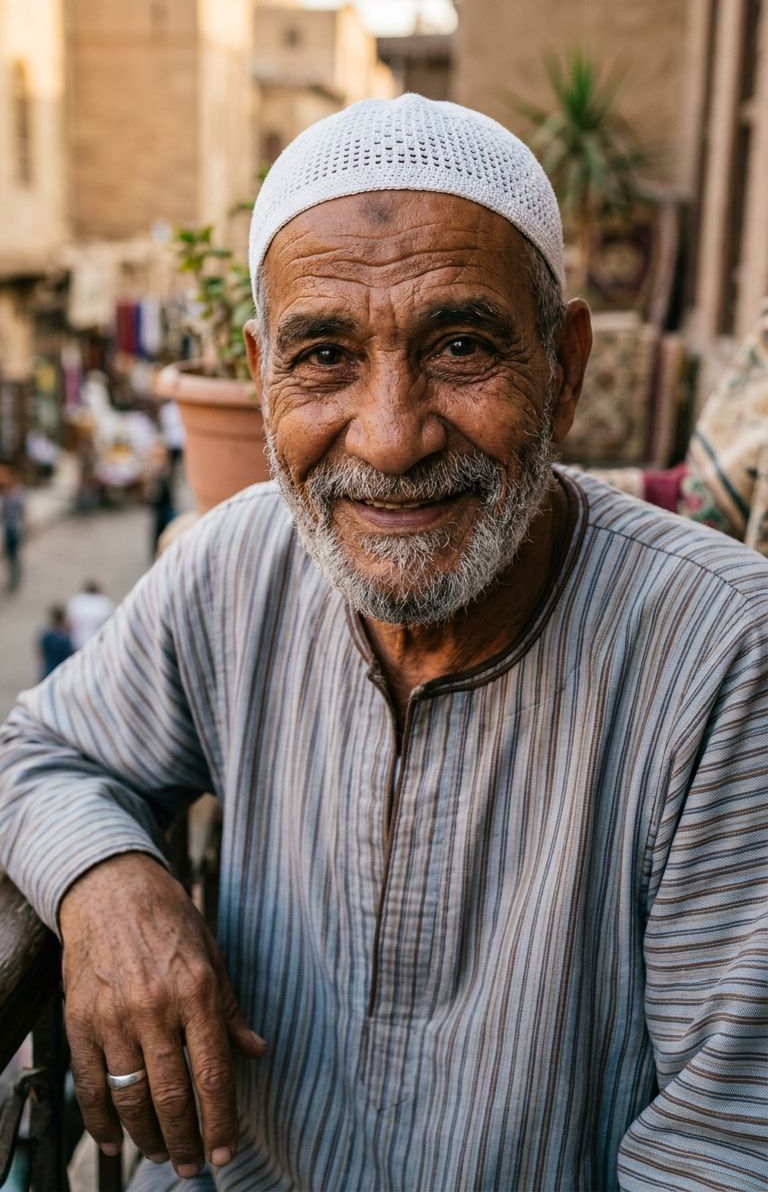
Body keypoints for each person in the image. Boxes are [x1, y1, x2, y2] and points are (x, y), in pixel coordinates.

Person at [0, 96, 765, 1192]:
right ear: (263, 374)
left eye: (460, 345)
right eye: (324, 355)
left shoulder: (722, 654)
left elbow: (722, 1146)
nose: (392, 433)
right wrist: (107, 883)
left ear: (567, 365)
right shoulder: (235, 565)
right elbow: (37, 750)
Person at [65, 580, 114, 651]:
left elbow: (70, 623)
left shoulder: (77, 601)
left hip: (79, 642)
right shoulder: (103, 602)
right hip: (98, 642)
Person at [1, 475, 25, 592]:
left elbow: (23, 512)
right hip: (8, 528)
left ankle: (16, 577)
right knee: (10, 555)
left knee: (14, 555)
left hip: (15, 528)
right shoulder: (6, 496)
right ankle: (12, 576)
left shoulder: (19, 496)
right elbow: (3, 513)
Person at [37, 604, 74, 678]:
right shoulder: (64, 639)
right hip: (60, 673)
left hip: (47, 669)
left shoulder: (46, 635)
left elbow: (40, 652)